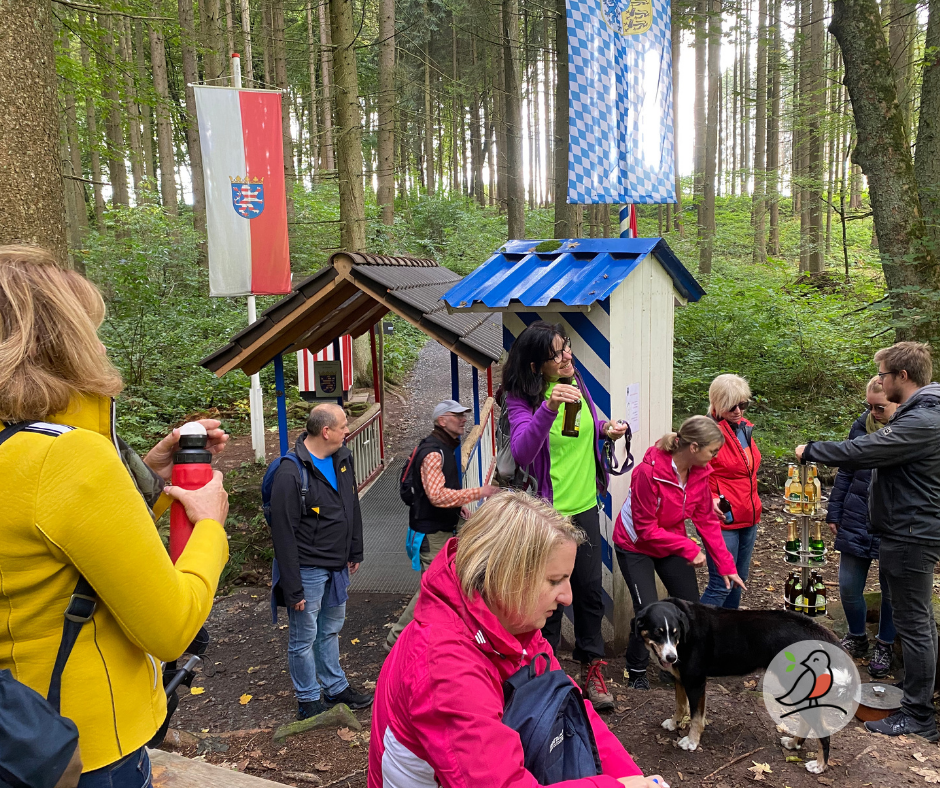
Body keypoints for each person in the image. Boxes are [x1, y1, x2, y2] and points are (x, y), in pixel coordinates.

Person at [0, 245, 231, 786]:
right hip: (81, 747)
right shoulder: (66, 456)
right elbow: (171, 626)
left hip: (17, 733)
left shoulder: (23, 450)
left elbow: (50, 537)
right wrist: (211, 527)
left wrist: (147, 470)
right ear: (64, 340)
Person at [368, 491, 665, 788]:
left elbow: (570, 705)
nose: (567, 597)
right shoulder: (444, 664)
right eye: (553, 581)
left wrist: (633, 777)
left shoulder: (508, 621)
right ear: (504, 575)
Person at [797, 341, 940, 741]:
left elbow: (864, 451)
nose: (882, 381)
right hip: (906, 529)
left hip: (911, 534)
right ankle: (918, 711)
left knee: (914, 624)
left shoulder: (923, 420)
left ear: (903, 377)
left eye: (885, 375)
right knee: (919, 622)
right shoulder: (923, 414)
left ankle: (918, 718)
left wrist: (811, 450)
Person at [502, 321, 629, 710]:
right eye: (557, 353)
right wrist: (549, 406)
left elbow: (581, 430)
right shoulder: (520, 399)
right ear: (537, 365)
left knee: (590, 593)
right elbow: (523, 450)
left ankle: (591, 668)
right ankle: (549, 674)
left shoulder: (577, 384)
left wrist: (606, 429)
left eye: (567, 346)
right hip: (547, 515)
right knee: (550, 597)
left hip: (585, 506)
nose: (567, 356)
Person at [614, 416, 745, 690]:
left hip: (669, 542)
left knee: (689, 609)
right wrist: (689, 547)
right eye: (713, 451)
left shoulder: (699, 473)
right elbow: (646, 529)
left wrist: (726, 565)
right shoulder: (647, 473)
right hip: (635, 544)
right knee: (647, 610)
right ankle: (636, 669)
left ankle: (673, 666)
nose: (716, 457)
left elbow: (707, 520)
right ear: (694, 447)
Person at [269, 403, 373, 720]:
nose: (347, 430)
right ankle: (308, 699)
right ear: (326, 431)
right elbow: (283, 534)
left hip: (337, 564)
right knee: (303, 637)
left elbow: (350, 504)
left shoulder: (342, 458)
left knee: (329, 629)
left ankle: (335, 687)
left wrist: (355, 549)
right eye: (343, 426)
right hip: (307, 569)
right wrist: (293, 588)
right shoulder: (290, 472)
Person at [385, 400, 500, 651]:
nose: (463, 420)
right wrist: (477, 492)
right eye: (456, 416)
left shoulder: (443, 447)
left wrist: (458, 506)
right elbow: (437, 496)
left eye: (463, 415)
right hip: (431, 533)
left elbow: (437, 493)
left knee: (443, 585)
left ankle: (434, 636)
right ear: (441, 421)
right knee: (433, 589)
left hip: (436, 528)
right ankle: (397, 639)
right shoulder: (434, 453)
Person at [827, 375, 898, 678]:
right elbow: (846, 470)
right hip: (856, 516)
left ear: (897, 400)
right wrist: (834, 510)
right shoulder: (861, 426)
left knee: (891, 589)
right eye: (868, 406)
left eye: (879, 407)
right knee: (848, 584)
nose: (873, 413)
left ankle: (885, 644)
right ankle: (857, 637)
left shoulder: (912, 432)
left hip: (894, 524)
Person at [700, 374, 762, 609]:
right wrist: (712, 499)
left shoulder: (743, 429)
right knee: (721, 582)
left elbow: (747, 473)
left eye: (743, 404)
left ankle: (729, 636)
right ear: (716, 404)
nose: (738, 410)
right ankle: (692, 637)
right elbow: (695, 475)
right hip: (722, 518)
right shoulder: (707, 432)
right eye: (731, 406)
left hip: (748, 515)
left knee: (738, 580)